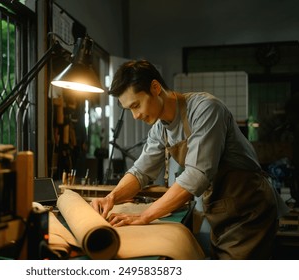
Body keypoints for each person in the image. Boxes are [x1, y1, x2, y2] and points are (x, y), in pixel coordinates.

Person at [90, 59, 289, 259]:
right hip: (221, 213)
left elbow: (196, 175)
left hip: (250, 210)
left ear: (155, 87)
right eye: (129, 109)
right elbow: (140, 172)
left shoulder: (205, 109)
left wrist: (144, 216)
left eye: (136, 105)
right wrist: (111, 198)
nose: (135, 116)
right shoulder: (160, 129)